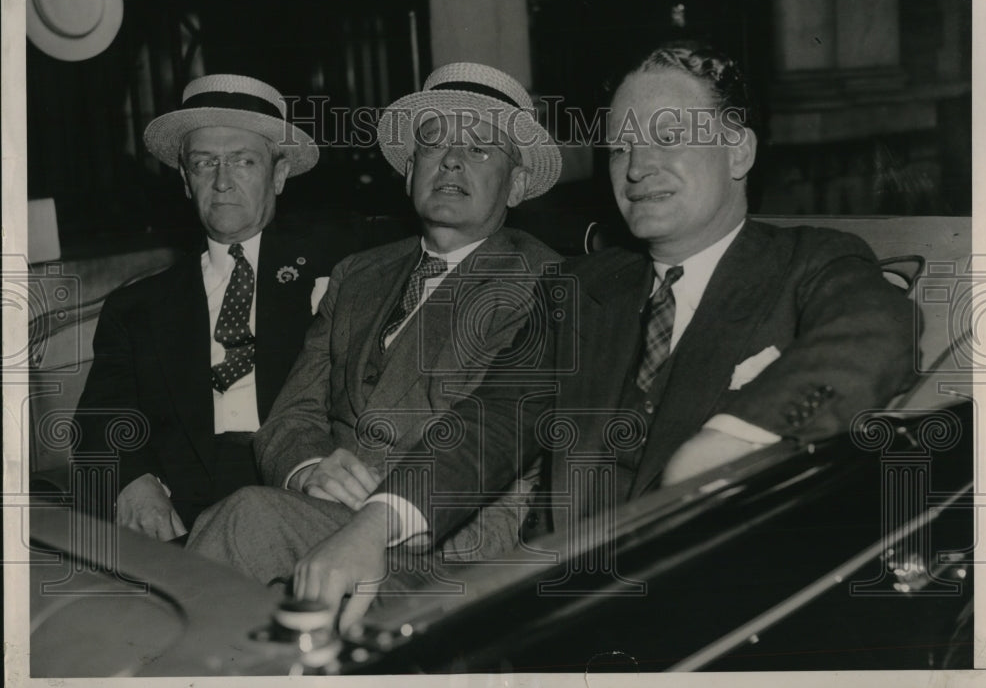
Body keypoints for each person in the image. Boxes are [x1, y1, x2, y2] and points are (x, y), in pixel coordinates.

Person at [191, 41, 917, 630]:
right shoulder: (586, 291)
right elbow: (491, 423)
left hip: (714, 603)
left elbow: (878, 329)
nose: (639, 165)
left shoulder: (807, 260)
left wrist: (736, 434)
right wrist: (377, 522)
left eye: (671, 137)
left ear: (739, 152)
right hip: (555, 596)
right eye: (622, 144)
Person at [186, 62, 563, 573]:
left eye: (479, 149)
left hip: (443, 537)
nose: (451, 161)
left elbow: (498, 449)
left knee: (244, 518)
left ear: (516, 186)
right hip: (319, 514)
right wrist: (307, 470)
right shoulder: (359, 274)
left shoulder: (543, 282)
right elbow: (291, 414)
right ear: (409, 172)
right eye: (433, 145)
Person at [74, 74, 357, 539]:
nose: (222, 181)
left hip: (304, 495)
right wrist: (133, 482)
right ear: (186, 180)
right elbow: (102, 416)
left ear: (279, 174)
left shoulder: (342, 272)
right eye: (205, 163)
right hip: (179, 514)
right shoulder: (137, 306)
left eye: (243, 161)